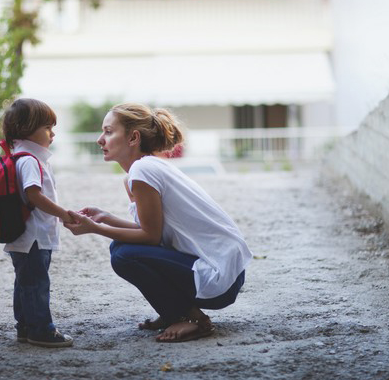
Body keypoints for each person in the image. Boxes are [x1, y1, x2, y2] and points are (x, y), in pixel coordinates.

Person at [64, 103, 253, 343]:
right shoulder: (143, 170)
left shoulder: (143, 171)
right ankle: (174, 312)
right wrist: (105, 217)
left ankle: (191, 319)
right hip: (222, 271)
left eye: (109, 132)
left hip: (219, 276)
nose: (101, 139)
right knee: (121, 248)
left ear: (133, 137)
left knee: (123, 255)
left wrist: (95, 228)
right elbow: (154, 231)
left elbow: (150, 237)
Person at [1, 98, 75, 348]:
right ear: (25, 129)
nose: (52, 133)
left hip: (25, 236)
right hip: (33, 236)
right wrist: (64, 213)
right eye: (47, 127)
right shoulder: (30, 161)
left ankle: (25, 327)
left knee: (25, 282)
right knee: (37, 283)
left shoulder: (22, 157)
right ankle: (41, 330)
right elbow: (34, 195)